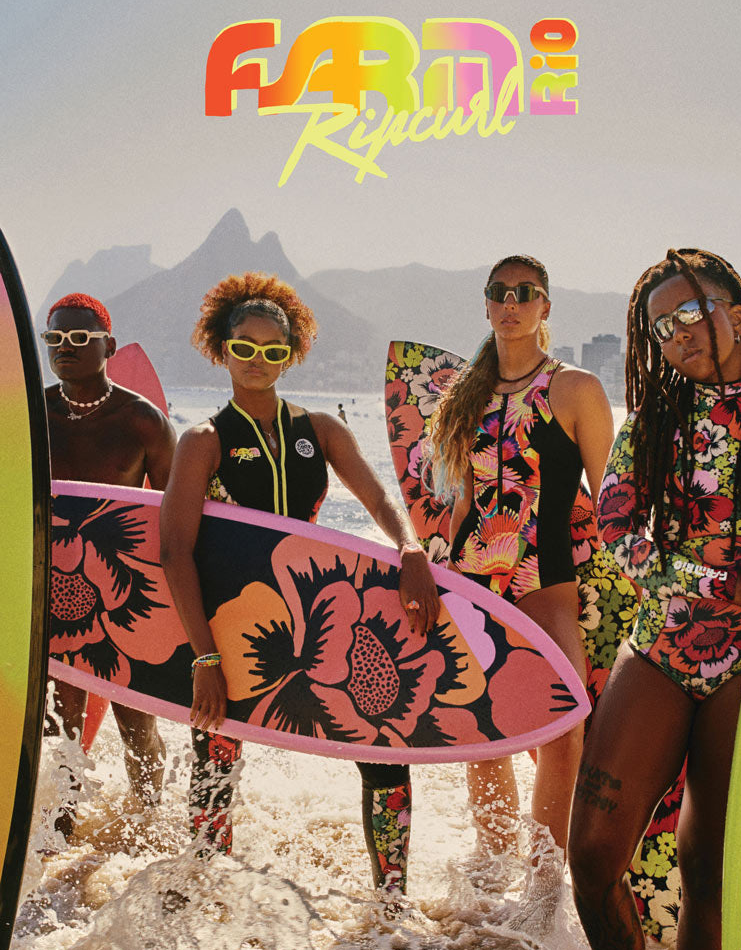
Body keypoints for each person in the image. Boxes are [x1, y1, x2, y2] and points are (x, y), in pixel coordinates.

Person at [159, 272, 439, 896]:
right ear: (221, 349)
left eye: (273, 350)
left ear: (292, 353)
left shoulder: (319, 430)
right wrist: (203, 655)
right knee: (216, 768)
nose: (258, 361)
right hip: (233, 630)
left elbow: (376, 497)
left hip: (323, 620)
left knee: (384, 747)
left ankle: (391, 910)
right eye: (244, 347)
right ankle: (206, 902)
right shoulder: (205, 440)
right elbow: (173, 552)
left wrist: (410, 547)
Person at [568, 249, 741, 950]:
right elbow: (620, 540)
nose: (679, 335)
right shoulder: (657, 422)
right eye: (662, 328)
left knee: (711, 869)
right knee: (592, 854)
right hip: (660, 648)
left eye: (692, 312)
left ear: (737, 305)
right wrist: (730, 585)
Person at [427, 254, 614, 884]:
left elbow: (611, 497)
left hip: (550, 578)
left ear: (545, 306)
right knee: (485, 726)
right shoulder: (464, 396)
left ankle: (544, 883)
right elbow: (460, 501)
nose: (511, 302)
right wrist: (436, 572)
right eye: (499, 292)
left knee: (563, 727)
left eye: (525, 292)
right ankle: (490, 876)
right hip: (474, 579)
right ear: (485, 304)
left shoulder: (576, 389)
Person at [43, 292, 176, 836]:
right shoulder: (34, 413)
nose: (65, 348)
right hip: (53, 586)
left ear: (109, 346)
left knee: (134, 722)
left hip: (124, 588)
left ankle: (146, 827)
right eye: (54, 339)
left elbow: (172, 515)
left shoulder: (143, 422)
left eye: (80, 338)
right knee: (62, 722)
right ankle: (61, 830)